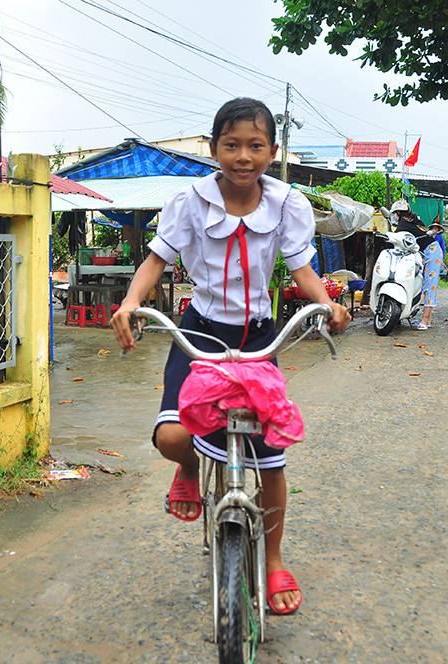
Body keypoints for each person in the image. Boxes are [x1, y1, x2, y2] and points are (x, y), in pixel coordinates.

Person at [110, 97, 351, 615]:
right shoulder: (189, 202)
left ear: (273, 150)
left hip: (259, 337)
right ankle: (192, 471)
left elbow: (303, 269)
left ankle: (273, 558)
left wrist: (325, 303)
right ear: (214, 147)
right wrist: (131, 303)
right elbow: (156, 262)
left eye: (256, 145)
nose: (244, 156)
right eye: (232, 144)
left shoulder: (288, 204)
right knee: (173, 436)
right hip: (199, 332)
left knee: (271, 458)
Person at [389, 201, 441, 330]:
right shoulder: (415, 221)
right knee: (427, 284)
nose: (393, 216)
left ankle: (425, 320)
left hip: (431, 251)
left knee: (430, 285)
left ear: (398, 213)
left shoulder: (402, 224)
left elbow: (395, 239)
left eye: (394, 214)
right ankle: (427, 320)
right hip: (429, 251)